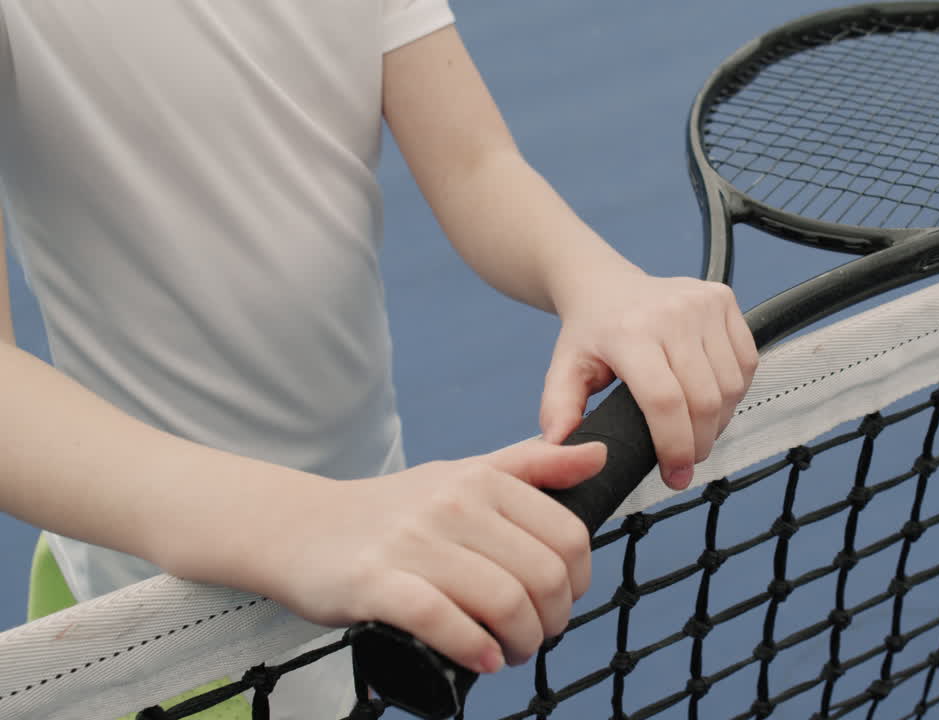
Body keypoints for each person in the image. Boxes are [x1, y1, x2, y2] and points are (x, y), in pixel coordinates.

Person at [0, 1, 756, 717]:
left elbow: (475, 165)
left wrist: (596, 277)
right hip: (164, 642)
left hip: (375, 563)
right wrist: (307, 524)